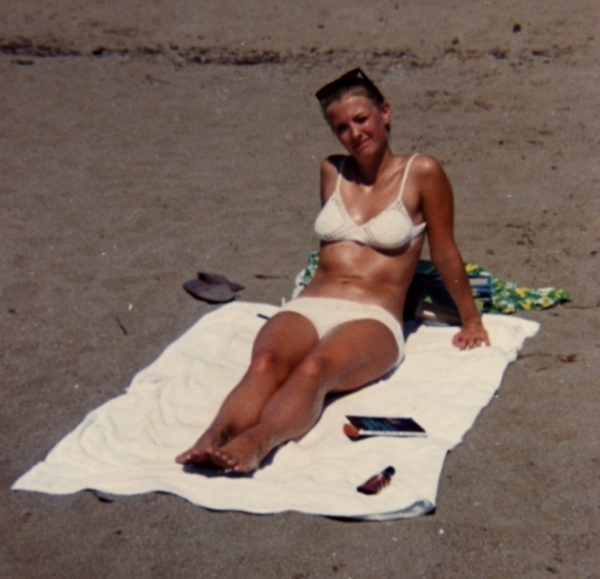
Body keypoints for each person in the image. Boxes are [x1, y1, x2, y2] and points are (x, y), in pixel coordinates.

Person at [176, 68, 490, 474]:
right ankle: (213, 436)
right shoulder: (332, 171)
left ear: (385, 113)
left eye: (361, 119)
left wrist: (471, 320)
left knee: (314, 369)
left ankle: (257, 441)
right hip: (311, 303)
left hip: (373, 316)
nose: (355, 133)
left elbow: (444, 251)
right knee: (265, 363)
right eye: (342, 127)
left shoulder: (422, 172)